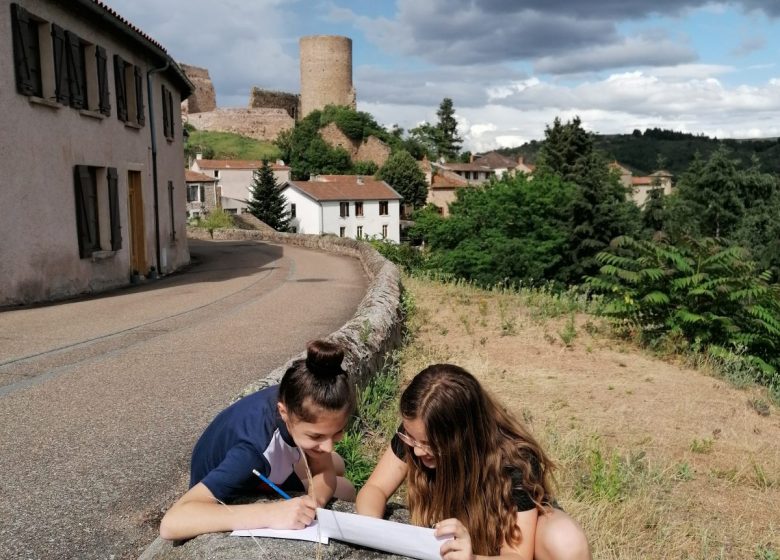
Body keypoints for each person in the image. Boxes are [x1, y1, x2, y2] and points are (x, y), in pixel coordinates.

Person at [356, 364, 591, 560]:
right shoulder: (416, 435)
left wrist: (472, 558)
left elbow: (517, 555)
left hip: (515, 541)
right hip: (471, 534)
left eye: (428, 443)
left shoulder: (515, 461)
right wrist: (372, 528)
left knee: (565, 540)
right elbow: (374, 488)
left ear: (462, 438)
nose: (416, 451)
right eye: (410, 437)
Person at [160, 339, 357, 540]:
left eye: (337, 432)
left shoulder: (300, 394)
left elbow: (323, 469)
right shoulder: (253, 453)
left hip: (261, 462)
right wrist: (272, 513)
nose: (328, 445)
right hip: (231, 481)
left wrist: (313, 502)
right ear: (284, 412)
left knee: (337, 463)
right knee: (346, 489)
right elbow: (171, 523)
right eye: (316, 436)